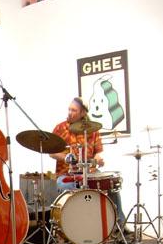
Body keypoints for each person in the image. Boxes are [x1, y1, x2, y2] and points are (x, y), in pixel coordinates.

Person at [49, 97, 127, 231]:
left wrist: (98, 160)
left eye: (74, 110)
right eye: (69, 109)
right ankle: (74, 228)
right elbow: (51, 152)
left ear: (83, 113)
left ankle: (120, 226)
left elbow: (97, 153)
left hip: (90, 173)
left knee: (111, 184)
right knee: (65, 186)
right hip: (67, 174)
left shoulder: (93, 130)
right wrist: (66, 157)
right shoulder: (60, 128)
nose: (70, 112)